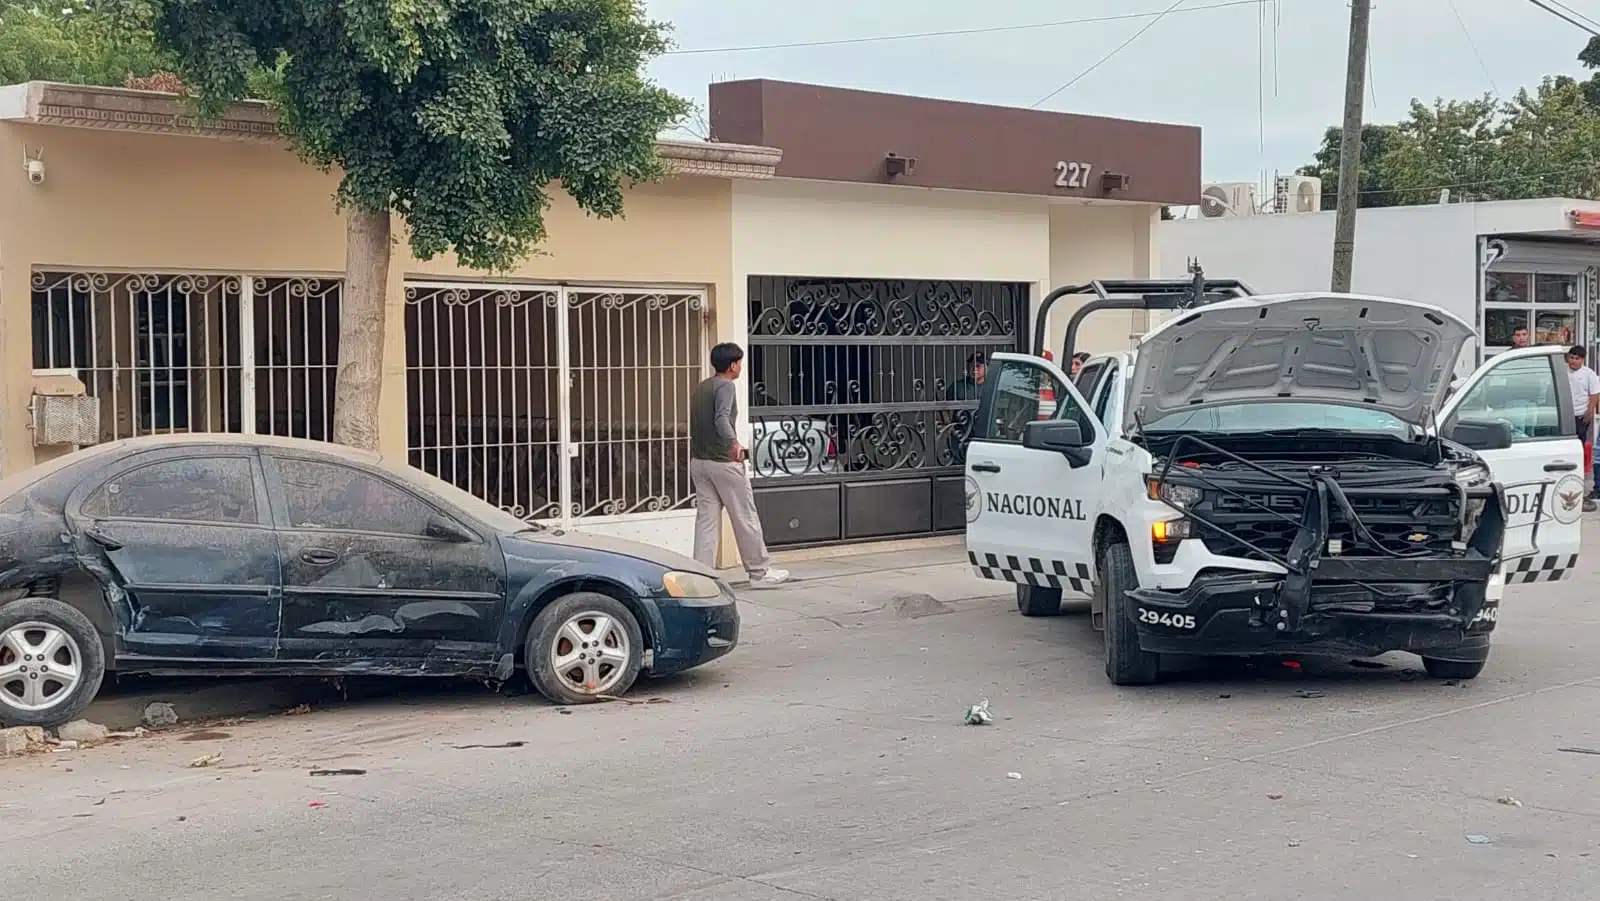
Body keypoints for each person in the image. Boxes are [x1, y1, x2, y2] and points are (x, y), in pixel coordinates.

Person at [690, 343, 790, 587]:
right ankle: (759, 572)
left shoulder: (702, 387)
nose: (741, 367)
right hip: (723, 462)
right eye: (740, 363)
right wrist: (734, 442)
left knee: (706, 519)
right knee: (744, 515)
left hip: (699, 462)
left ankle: (700, 576)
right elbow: (721, 417)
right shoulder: (726, 386)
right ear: (733, 364)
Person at [1566, 345, 1600, 512]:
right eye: (1571, 357)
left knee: (1579, 447)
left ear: (1583, 359)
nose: (1573, 361)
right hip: (1565, 416)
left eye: (1577, 358)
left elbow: (1594, 394)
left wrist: (1590, 411)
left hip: (1581, 415)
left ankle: (1579, 476)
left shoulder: (1588, 374)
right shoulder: (1564, 372)